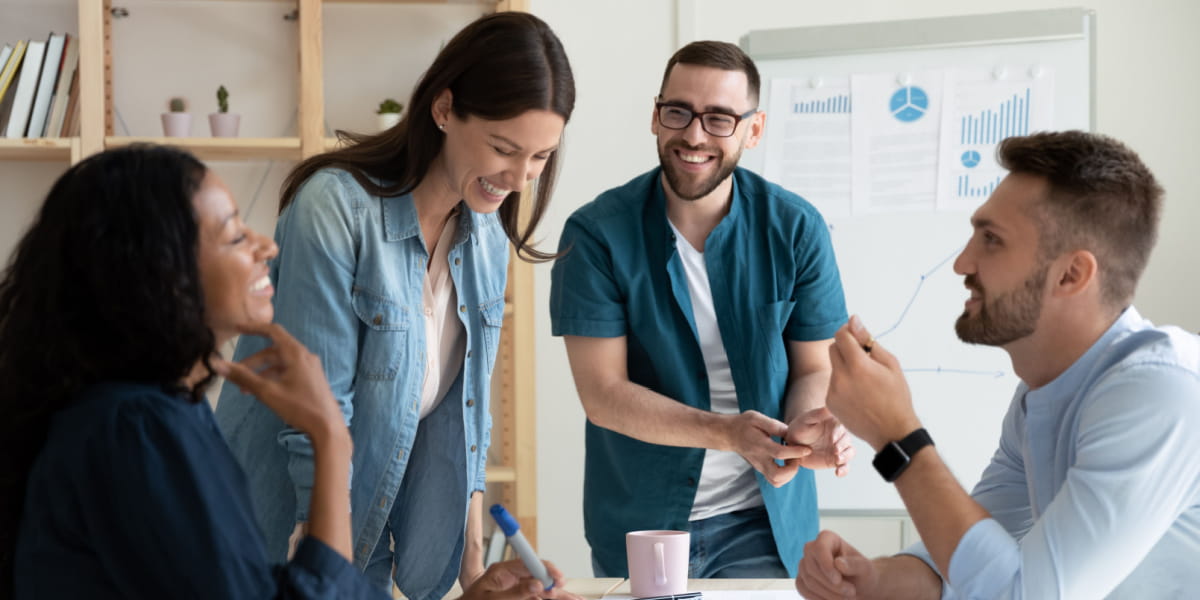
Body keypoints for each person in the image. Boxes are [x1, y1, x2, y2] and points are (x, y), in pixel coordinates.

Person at [0, 145, 571, 600]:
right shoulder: (137, 432)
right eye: (232, 234)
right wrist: (328, 439)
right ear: (160, 275)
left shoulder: (161, 414)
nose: (265, 246)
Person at [213, 11, 575, 599]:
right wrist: (320, 574)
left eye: (539, 157)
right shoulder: (335, 209)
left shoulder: (485, 237)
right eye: (504, 148)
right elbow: (317, 416)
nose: (519, 177)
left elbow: (469, 416)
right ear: (443, 109)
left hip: (368, 535)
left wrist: (473, 570)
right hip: (282, 540)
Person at [796, 131, 1200, 599]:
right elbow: (967, 562)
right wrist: (872, 579)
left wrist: (896, 435)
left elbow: (1019, 595)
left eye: (991, 240)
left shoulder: (1160, 393)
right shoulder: (1040, 395)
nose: (962, 263)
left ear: (1071, 275)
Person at [549, 40, 854, 579]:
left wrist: (801, 431)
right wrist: (728, 433)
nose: (693, 135)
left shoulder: (796, 228)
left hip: (763, 519)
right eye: (678, 112)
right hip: (641, 524)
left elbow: (814, 366)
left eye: (719, 119)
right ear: (655, 116)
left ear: (752, 131)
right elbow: (604, 396)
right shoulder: (596, 234)